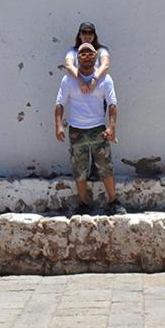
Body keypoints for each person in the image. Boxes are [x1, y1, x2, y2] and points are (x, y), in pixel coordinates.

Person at [55, 42, 125, 215]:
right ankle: (83, 204)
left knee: (105, 166)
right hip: (77, 131)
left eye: (90, 54)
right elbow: (59, 104)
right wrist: (58, 126)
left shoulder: (105, 79)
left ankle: (113, 201)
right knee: (79, 169)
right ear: (77, 58)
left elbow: (112, 104)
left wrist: (111, 127)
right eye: (83, 54)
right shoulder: (68, 80)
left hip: (98, 130)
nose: (86, 57)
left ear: (95, 57)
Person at [64, 21, 110, 94]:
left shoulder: (101, 50)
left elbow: (105, 65)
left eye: (90, 33)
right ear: (79, 35)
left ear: (94, 36)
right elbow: (68, 65)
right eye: (84, 32)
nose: (87, 35)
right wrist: (80, 81)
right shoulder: (73, 51)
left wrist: (94, 80)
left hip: (97, 90)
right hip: (78, 91)